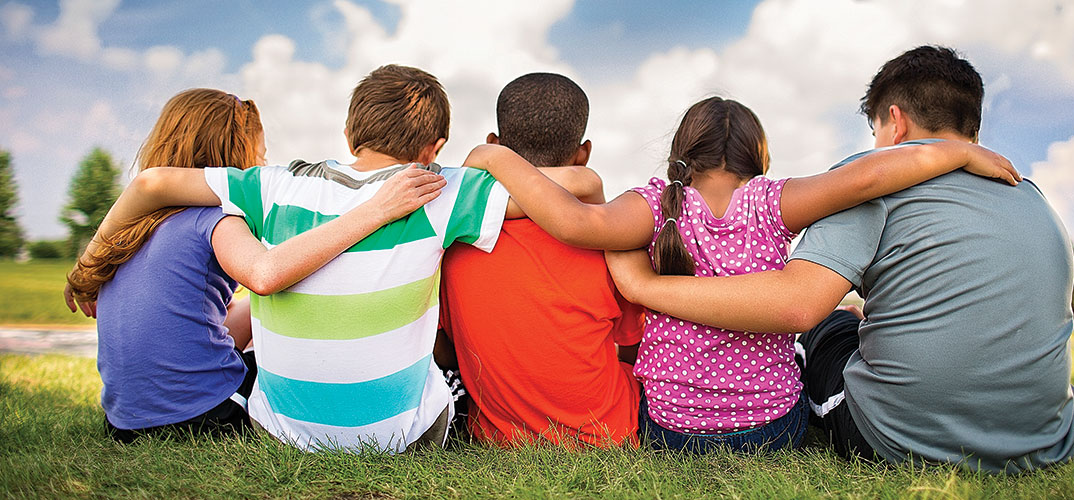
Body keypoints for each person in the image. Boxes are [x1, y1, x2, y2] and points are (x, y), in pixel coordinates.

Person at [70, 66, 596, 453]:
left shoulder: (271, 186)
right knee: (452, 377)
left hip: (279, 436)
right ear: (434, 149)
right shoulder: (440, 189)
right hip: (402, 441)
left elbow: (151, 182)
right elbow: (563, 183)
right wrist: (489, 163)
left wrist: (88, 268)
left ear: (349, 134)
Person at [604, 45, 1074, 473]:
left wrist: (644, 287)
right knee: (841, 315)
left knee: (823, 323)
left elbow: (796, 306)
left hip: (901, 438)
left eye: (875, 130)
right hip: (1045, 436)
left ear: (896, 122)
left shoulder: (872, 183)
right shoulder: (1031, 196)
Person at [459, 94, 1019, 452]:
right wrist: (957, 153)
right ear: (759, 155)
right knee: (818, 338)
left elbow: (575, 222)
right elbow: (868, 179)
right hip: (770, 429)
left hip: (670, 431)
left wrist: (497, 158)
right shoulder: (773, 202)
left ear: (683, 151)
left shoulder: (656, 205)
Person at [63, 88, 445, 443]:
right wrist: (375, 210)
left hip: (124, 421)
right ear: (233, 157)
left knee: (254, 313)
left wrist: (86, 267)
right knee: (294, 350)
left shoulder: (133, 228)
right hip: (201, 417)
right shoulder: (215, 218)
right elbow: (264, 275)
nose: (262, 165)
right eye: (259, 156)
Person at [436, 73, 643, 448]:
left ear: (494, 144)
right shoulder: (607, 238)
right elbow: (632, 346)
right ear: (583, 154)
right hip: (613, 430)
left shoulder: (453, 243)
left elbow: (445, 349)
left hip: (497, 436)